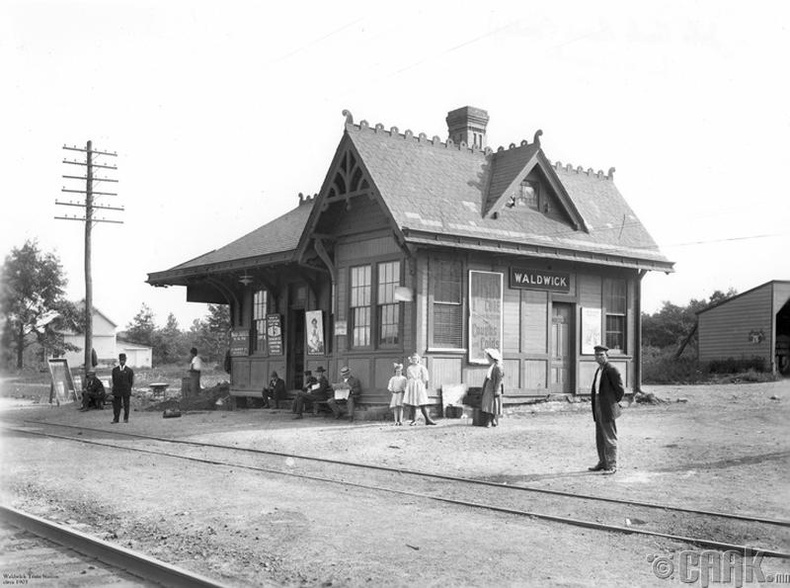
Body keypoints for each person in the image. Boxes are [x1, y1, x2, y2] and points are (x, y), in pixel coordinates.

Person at [589, 345, 625, 475]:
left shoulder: (612, 370)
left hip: (607, 406)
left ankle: (612, 465)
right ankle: (603, 462)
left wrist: (612, 403)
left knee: (610, 436)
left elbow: (620, 390)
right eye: (597, 355)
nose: (599, 357)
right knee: (600, 435)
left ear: (607, 356)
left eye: (601, 355)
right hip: (598, 404)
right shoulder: (599, 370)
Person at [403, 353, 436, 426]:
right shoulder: (409, 368)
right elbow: (408, 377)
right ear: (411, 360)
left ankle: (427, 419)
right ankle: (413, 420)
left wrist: (421, 383)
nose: (414, 360)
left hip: (419, 384)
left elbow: (425, 377)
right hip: (412, 385)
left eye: (416, 359)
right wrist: (410, 383)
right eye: (413, 359)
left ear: (418, 360)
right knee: (412, 403)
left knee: (422, 402)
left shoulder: (421, 367)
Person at [481, 348, 504, 427]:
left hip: (493, 387)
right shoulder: (492, 366)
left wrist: (496, 390)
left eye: (488, 357)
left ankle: (491, 420)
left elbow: (499, 380)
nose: (487, 359)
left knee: (492, 405)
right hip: (489, 387)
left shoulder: (498, 367)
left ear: (492, 357)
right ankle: (490, 420)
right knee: (488, 404)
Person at [111, 353, 134, 424]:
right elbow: (114, 380)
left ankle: (126, 418)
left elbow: (131, 381)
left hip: (126, 390)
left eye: (123, 360)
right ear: (119, 360)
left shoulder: (129, 370)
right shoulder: (115, 370)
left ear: (125, 360)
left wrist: (128, 387)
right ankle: (116, 419)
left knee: (126, 405)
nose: (122, 362)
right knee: (116, 406)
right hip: (117, 390)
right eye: (121, 360)